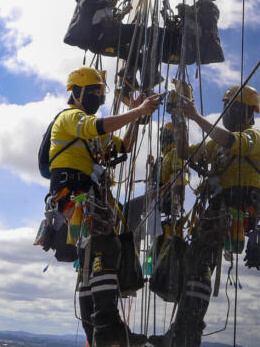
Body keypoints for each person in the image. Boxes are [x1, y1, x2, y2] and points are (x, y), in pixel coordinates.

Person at [47, 66, 164, 347]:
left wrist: (135, 116)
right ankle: (107, 326)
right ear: (77, 93)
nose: (97, 98)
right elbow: (98, 126)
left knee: (91, 264)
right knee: (107, 248)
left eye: (99, 94)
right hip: (75, 198)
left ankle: (98, 331)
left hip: (85, 200)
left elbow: (124, 146)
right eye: (94, 92)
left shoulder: (87, 129)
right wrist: (138, 111)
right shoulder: (70, 117)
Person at [152, 84, 260, 347]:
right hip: (216, 214)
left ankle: (186, 334)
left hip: (233, 213)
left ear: (248, 112)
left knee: (198, 269)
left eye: (233, 108)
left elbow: (231, 141)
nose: (227, 113)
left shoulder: (254, 137)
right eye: (226, 108)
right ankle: (182, 332)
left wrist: (195, 116)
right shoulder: (216, 146)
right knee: (193, 266)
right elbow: (184, 152)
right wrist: (180, 121)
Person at [162, 0, 225, 65]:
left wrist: (188, 12)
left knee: (153, 37)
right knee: (150, 42)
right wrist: (167, 18)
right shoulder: (196, 6)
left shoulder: (211, 8)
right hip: (179, 45)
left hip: (187, 50)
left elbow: (206, 25)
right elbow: (181, 27)